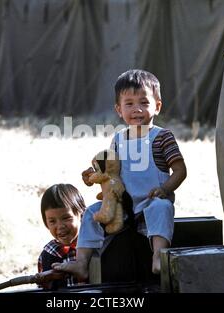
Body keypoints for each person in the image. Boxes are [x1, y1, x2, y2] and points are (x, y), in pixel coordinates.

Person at [53, 69, 187, 280]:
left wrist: (164, 189)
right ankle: (81, 263)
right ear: (118, 109)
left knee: (163, 208)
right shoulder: (118, 139)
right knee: (90, 213)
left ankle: (159, 257)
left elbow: (180, 170)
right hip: (122, 208)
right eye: (129, 104)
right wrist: (93, 175)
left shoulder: (162, 138)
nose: (137, 109)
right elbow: (110, 171)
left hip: (151, 205)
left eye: (144, 102)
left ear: (157, 106)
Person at [38, 184, 86, 289]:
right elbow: (42, 288)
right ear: (46, 223)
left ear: (81, 215)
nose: (60, 226)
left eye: (66, 218)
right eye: (52, 221)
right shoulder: (47, 255)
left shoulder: (94, 246)